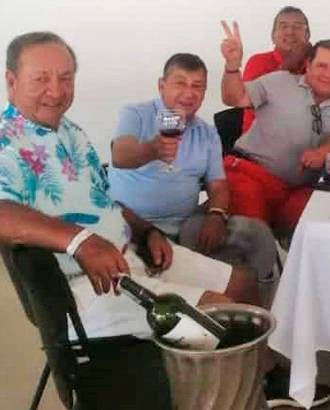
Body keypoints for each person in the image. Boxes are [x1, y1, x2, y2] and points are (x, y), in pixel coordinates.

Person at [0, 31, 260, 341]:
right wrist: (81, 241)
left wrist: (146, 231)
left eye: (65, 78)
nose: (56, 91)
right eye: (41, 78)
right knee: (218, 316)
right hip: (83, 284)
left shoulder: (71, 132)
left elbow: (104, 201)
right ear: (12, 81)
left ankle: (264, 368)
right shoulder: (7, 140)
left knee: (243, 285)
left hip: (131, 254)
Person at [108, 53, 277, 304]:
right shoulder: (135, 114)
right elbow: (120, 155)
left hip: (184, 230)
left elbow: (217, 184)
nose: (189, 93)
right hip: (127, 229)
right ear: (161, 85)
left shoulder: (207, 133)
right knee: (206, 299)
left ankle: (266, 316)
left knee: (258, 238)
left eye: (197, 86)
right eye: (180, 83)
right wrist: (152, 150)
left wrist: (217, 214)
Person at [220, 21, 330, 233]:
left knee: (328, 227)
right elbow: (234, 98)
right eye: (321, 66)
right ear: (308, 65)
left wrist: (321, 153)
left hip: (298, 190)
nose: (328, 74)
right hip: (249, 174)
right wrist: (232, 66)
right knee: (252, 237)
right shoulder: (278, 81)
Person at [236, 7, 330, 133]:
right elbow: (265, 105)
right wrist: (292, 61)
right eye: (283, 26)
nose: (290, 32)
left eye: (297, 26)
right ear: (273, 36)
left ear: (307, 36)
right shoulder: (258, 62)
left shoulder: (316, 67)